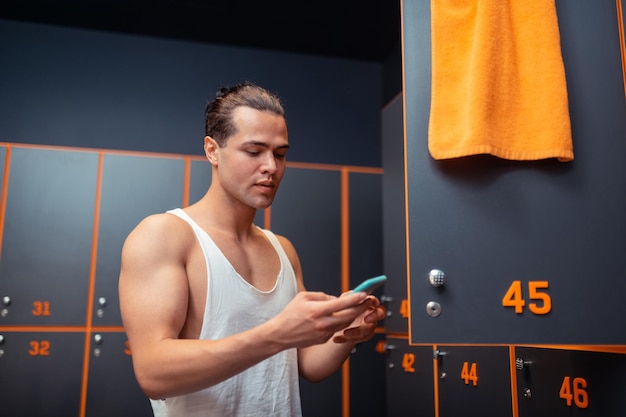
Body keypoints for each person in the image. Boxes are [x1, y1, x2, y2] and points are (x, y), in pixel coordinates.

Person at [118, 82, 385, 417]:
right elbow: (154, 374)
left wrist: (347, 333)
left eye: (280, 154)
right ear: (213, 150)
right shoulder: (164, 235)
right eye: (254, 151)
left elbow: (307, 364)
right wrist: (277, 333)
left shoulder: (283, 249)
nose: (271, 167)